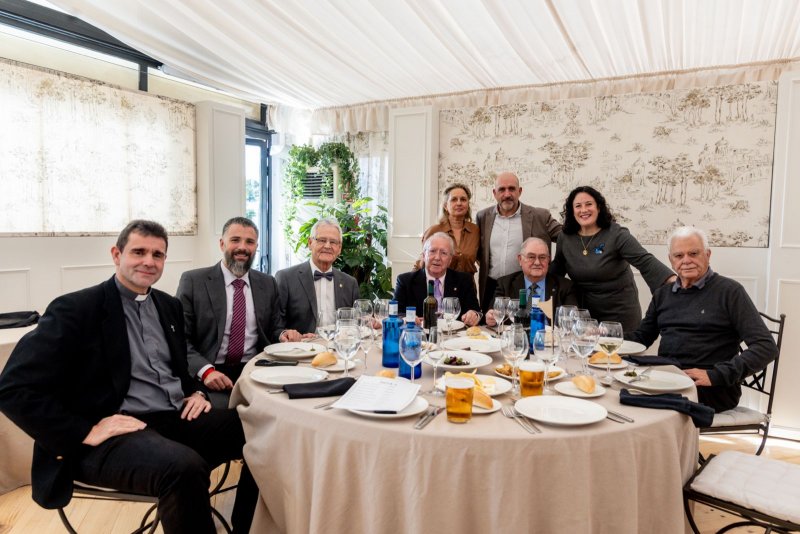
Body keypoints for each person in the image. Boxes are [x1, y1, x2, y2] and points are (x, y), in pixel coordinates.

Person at [0, 220, 257, 534]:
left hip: (172, 419)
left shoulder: (168, 306)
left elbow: (177, 368)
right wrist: (85, 430)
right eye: (139, 252)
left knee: (261, 431)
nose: (149, 261)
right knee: (184, 469)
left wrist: (196, 392)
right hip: (112, 433)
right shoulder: (76, 309)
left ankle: (247, 526)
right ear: (116, 254)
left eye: (157, 255)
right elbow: (12, 389)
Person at [626, 226, 778, 412]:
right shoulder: (663, 294)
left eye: (693, 253)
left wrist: (715, 375)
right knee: (618, 391)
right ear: (671, 260)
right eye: (679, 255)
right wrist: (604, 338)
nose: (686, 260)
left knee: (639, 404)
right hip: (668, 378)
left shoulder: (730, 292)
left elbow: (766, 347)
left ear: (707, 254)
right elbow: (641, 338)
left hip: (712, 388)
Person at [176, 216, 301, 408]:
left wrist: (283, 334)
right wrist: (206, 371)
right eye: (235, 240)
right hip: (210, 371)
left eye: (249, 242)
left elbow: (274, 328)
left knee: (290, 405)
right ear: (222, 244)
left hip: (257, 368)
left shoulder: (267, 283)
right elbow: (180, 340)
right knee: (226, 416)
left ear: (256, 247)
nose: (242, 247)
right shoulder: (194, 281)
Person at [550, 185, 675, 331]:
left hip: (619, 314)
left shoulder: (617, 234)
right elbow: (557, 269)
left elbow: (645, 261)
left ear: (598, 207)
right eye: (578, 206)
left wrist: (676, 282)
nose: (583, 210)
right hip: (585, 314)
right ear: (572, 211)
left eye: (589, 204)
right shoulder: (565, 237)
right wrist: (533, 283)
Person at [476, 171, 562, 314]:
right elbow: (477, 249)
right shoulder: (483, 216)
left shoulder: (540, 216)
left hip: (524, 287)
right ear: (494, 193)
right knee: (491, 324)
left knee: (528, 324)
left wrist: (556, 266)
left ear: (520, 191)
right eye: (502, 189)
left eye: (512, 189)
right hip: (491, 286)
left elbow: (565, 238)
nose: (507, 194)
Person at [276, 218, 360, 332]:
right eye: (322, 240)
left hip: (339, 343)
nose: (327, 246)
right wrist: (286, 334)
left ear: (339, 248)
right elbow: (275, 326)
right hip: (302, 343)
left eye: (333, 242)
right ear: (310, 243)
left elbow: (357, 323)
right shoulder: (286, 278)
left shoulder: (350, 283)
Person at [485, 237, 579, 326]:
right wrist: (491, 318)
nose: (537, 262)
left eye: (542, 257)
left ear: (548, 260)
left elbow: (573, 321)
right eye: (531, 257)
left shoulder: (565, 287)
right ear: (520, 259)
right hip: (515, 336)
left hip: (551, 337)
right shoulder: (505, 284)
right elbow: (494, 316)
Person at [394, 232, 482, 326]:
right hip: (419, 332)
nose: (437, 257)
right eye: (432, 251)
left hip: (454, 333)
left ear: (450, 260)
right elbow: (396, 313)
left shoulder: (464, 280)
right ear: (424, 255)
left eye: (444, 253)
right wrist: (407, 318)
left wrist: (473, 315)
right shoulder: (405, 281)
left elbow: (476, 311)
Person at [418, 183, 479, 274]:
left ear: (468, 205)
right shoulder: (433, 231)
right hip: (438, 282)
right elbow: (422, 262)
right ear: (445, 206)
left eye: (463, 199)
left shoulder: (476, 231)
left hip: (467, 283)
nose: (459, 203)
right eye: (454, 199)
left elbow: (483, 260)